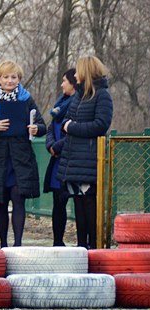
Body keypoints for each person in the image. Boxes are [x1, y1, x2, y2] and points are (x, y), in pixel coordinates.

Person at [0, 60, 46, 248]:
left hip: (20, 160)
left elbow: (42, 126)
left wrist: (35, 129)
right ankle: (3, 245)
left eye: (13, 77)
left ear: (19, 79)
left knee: (18, 200)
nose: (10, 80)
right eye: (6, 77)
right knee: (1, 203)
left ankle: (17, 244)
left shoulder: (26, 100)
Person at [57, 56, 113, 249]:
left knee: (90, 206)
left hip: (89, 160)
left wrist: (72, 127)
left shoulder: (102, 95)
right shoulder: (78, 96)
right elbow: (66, 122)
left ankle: (94, 247)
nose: (75, 75)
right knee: (79, 207)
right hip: (74, 160)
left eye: (79, 71)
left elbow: (100, 125)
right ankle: (82, 248)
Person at [43, 68, 77, 246]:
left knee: (76, 201)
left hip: (71, 160)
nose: (62, 84)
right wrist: (50, 145)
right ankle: (58, 241)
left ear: (73, 83)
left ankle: (82, 243)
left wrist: (57, 146)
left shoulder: (77, 103)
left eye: (65, 80)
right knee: (58, 202)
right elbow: (50, 128)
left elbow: (73, 132)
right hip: (56, 160)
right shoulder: (60, 104)